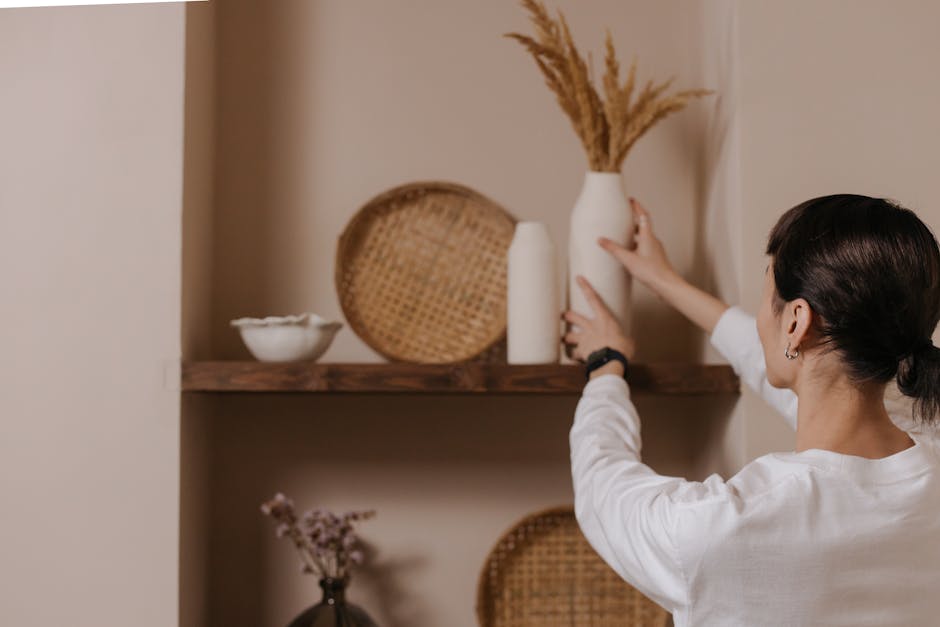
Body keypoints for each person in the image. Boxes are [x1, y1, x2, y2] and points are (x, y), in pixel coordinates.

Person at [563, 194, 940, 626]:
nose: (763, 317)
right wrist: (668, 283)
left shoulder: (718, 529)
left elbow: (603, 484)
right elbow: (818, 376)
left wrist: (605, 366)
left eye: (767, 290)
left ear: (796, 322)